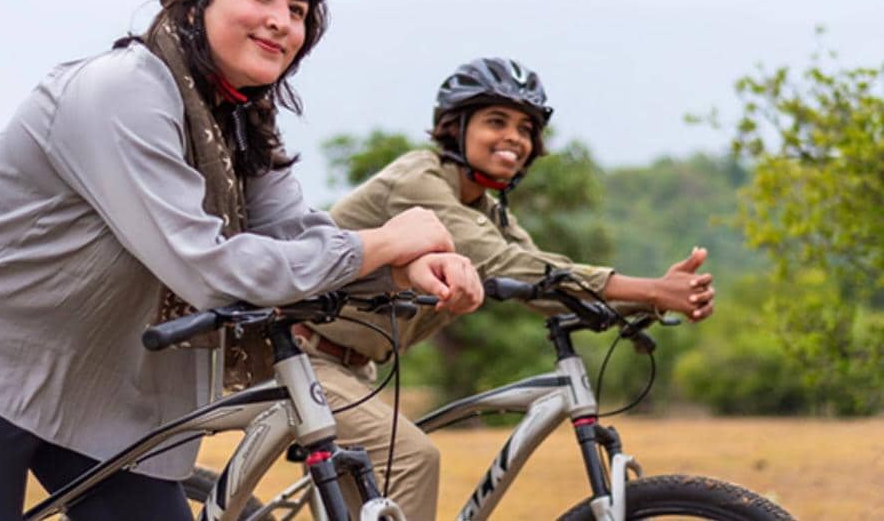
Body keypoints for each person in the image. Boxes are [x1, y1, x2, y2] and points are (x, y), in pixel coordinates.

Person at [0, 0, 482, 520]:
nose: (281, 22)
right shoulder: (123, 90)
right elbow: (209, 270)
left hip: (101, 381)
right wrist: (383, 244)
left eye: (297, 9)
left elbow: (294, 234)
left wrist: (402, 270)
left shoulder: (242, 124)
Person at [299, 56, 716, 519]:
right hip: (302, 356)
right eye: (496, 121)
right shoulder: (419, 178)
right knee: (415, 460)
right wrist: (651, 289)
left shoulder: (487, 208)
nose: (514, 138)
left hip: (355, 371)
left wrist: (640, 303)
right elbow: (502, 262)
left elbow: (539, 276)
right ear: (454, 127)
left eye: (526, 128)